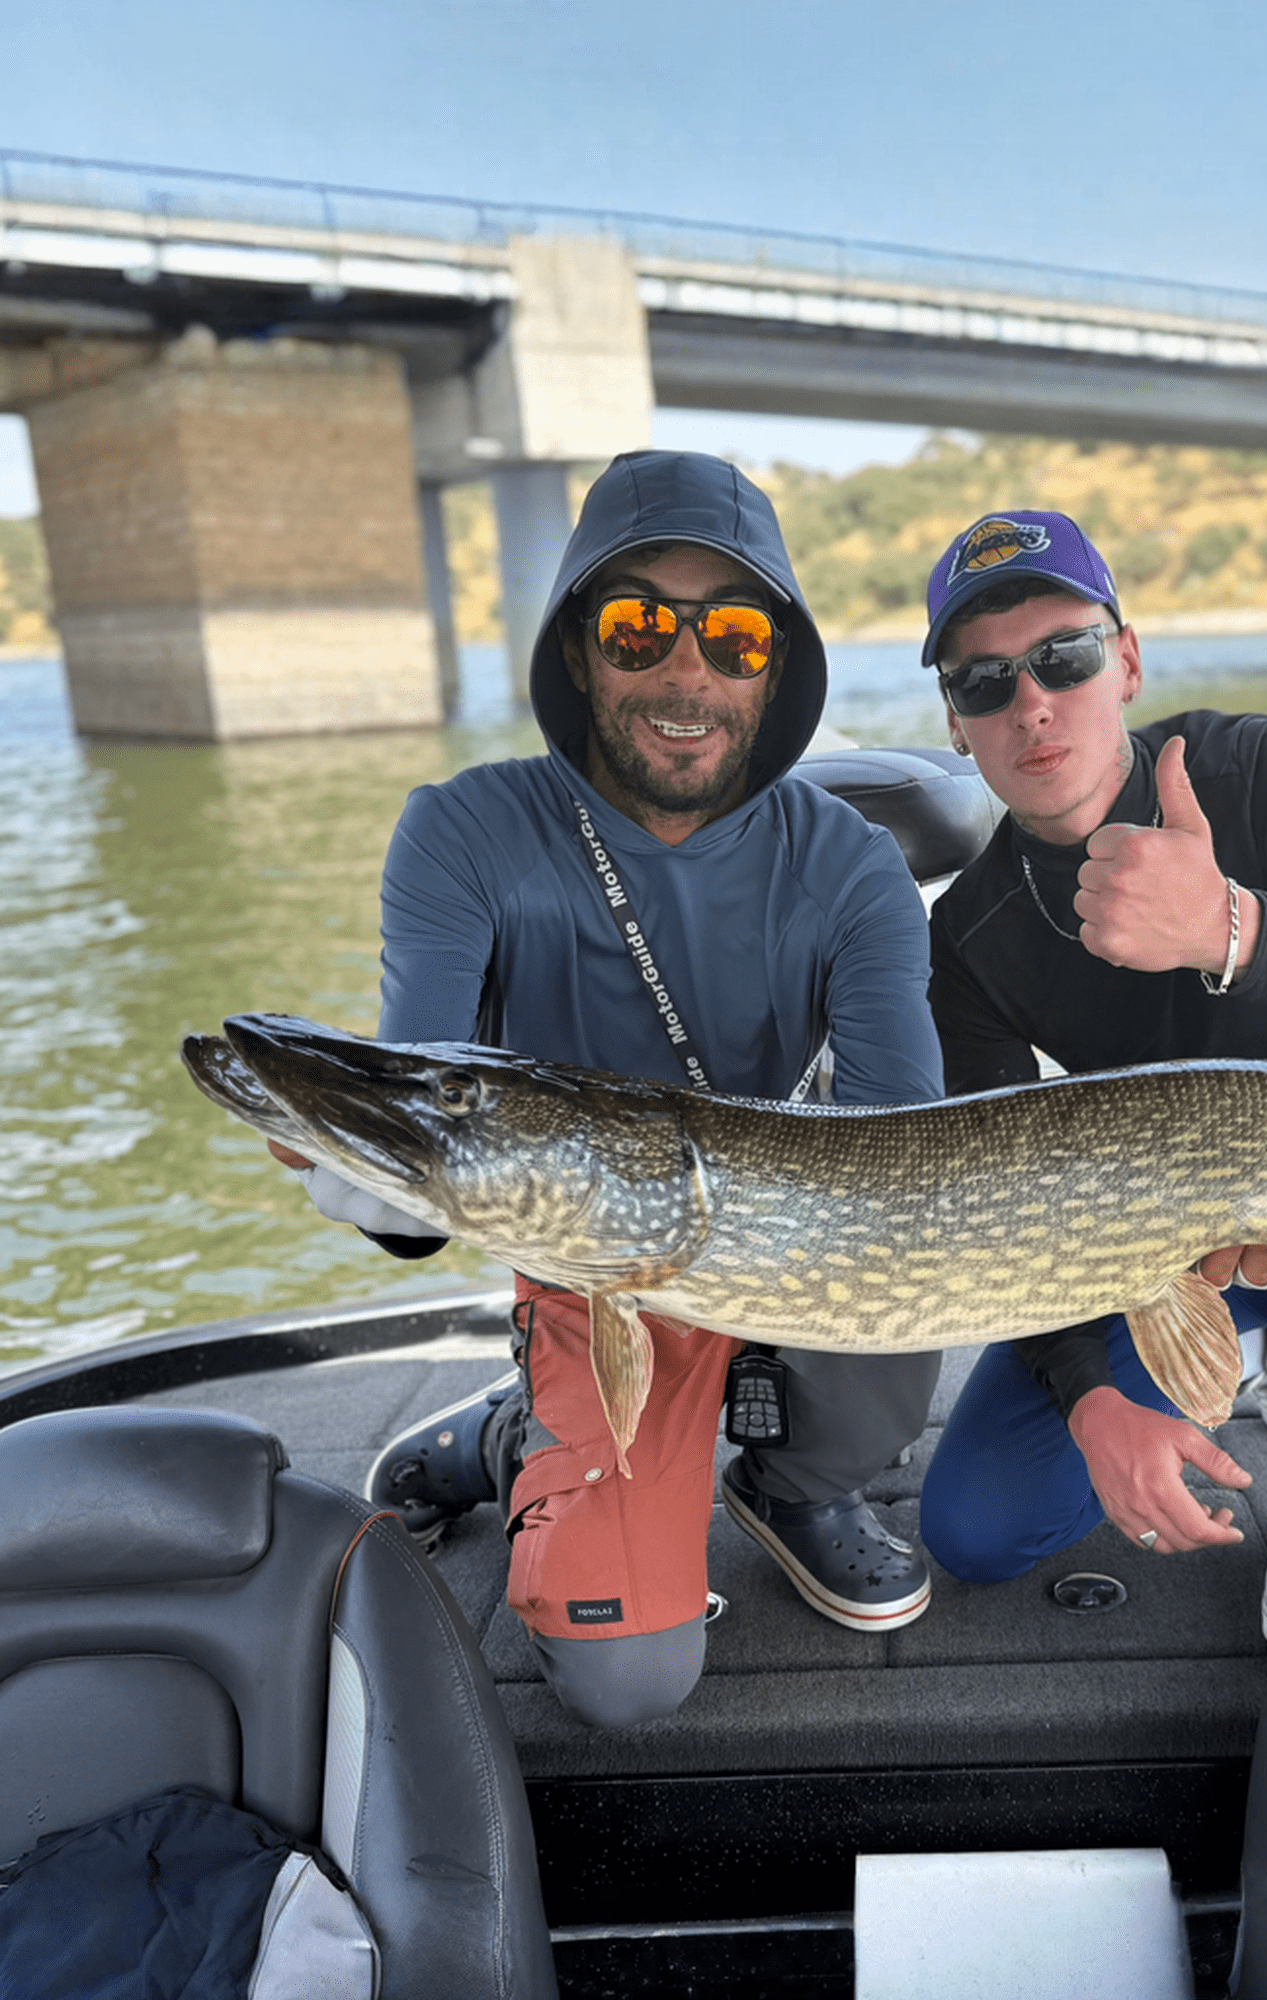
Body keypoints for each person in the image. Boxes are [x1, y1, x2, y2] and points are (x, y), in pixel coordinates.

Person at [270, 451, 945, 1729]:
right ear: (580, 649)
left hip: (809, 1238)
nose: (685, 670)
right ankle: (516, 1425)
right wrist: (352, 1187)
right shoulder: (464, 832)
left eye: (732, 633)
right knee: (627, 1679)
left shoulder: (849, 865)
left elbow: (895, 1153)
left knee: (900, 1309)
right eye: (639, 625)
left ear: (774, 662)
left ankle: (795, 1480)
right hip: (591, 1262)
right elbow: (425, 1139)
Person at [914, 510, 1267, 1645]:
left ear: (1124, 661)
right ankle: (1232, 1346)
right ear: (955, 724)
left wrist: (1230, 926)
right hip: (1154, 1249)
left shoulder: (1255, 770)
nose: (1029, 701)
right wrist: (1090, 1403)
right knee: (974, 1526)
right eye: (983, 681)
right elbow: (1005, 1217)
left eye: (1063, 657)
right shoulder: (969, 937)